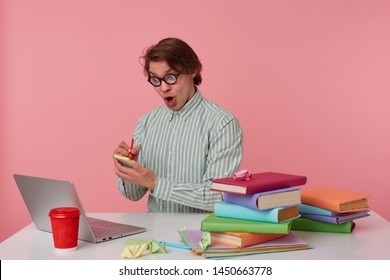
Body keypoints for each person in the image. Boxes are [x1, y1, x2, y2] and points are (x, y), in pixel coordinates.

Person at [113, 37, 243, 213]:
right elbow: (133, 195)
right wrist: (128, 167)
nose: (164, 88)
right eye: (155, 80)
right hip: (154, 232)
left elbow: (218, 196)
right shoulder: (147, 122)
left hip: (200, 234)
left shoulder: (222, 123)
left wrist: (156, 183)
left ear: (193, 70)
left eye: (171, 77)